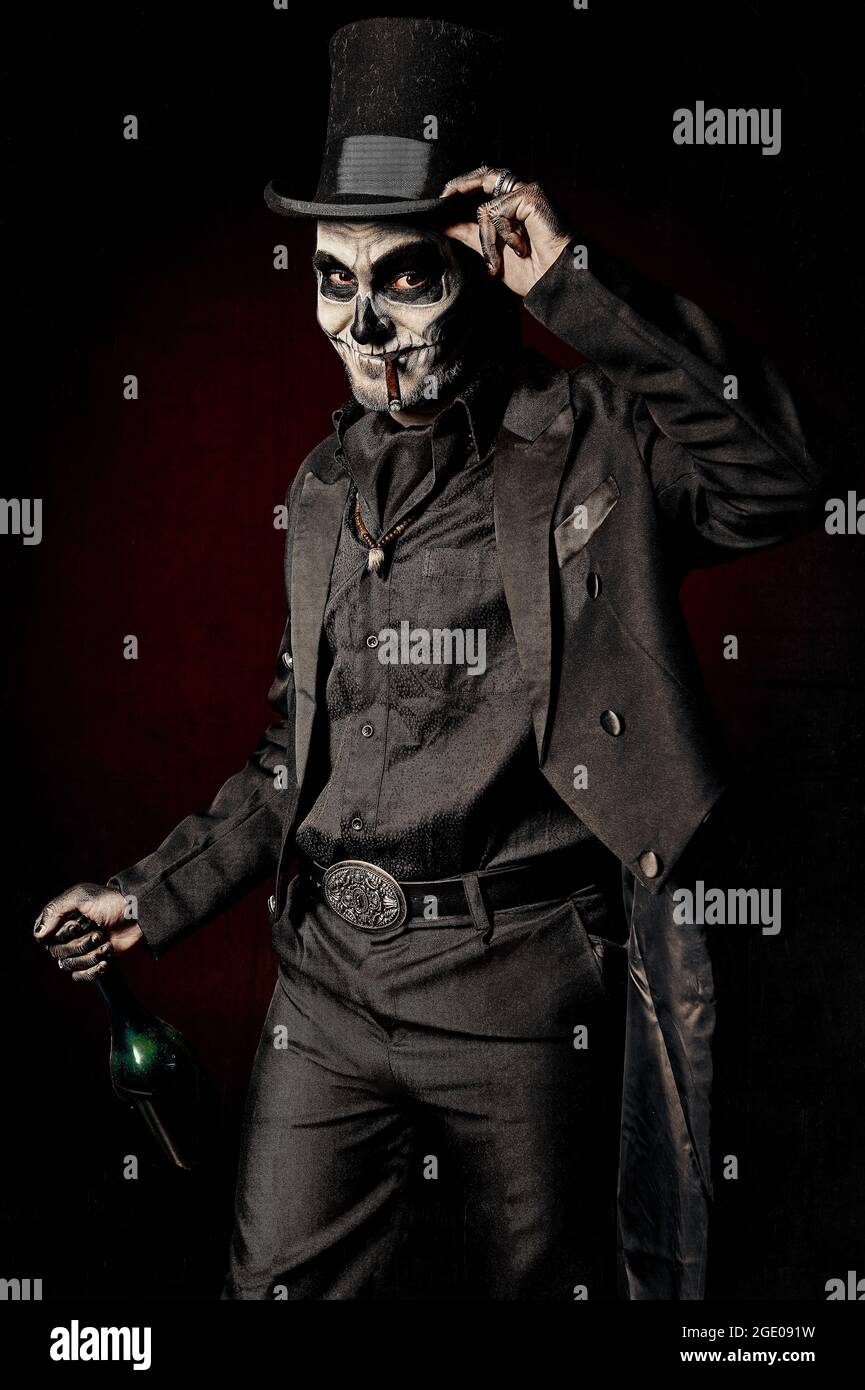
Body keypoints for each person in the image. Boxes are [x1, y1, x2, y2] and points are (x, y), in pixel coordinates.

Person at [34, 18, 820, 1299]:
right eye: (334, 281)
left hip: (521, 998)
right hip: (328, 994)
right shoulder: (318, 487)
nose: (364, 327)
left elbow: (779, 473)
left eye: (406, 279)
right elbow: (291, 763)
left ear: (478, 266)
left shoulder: (592, 444)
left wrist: (570, 280)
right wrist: (151, 893)